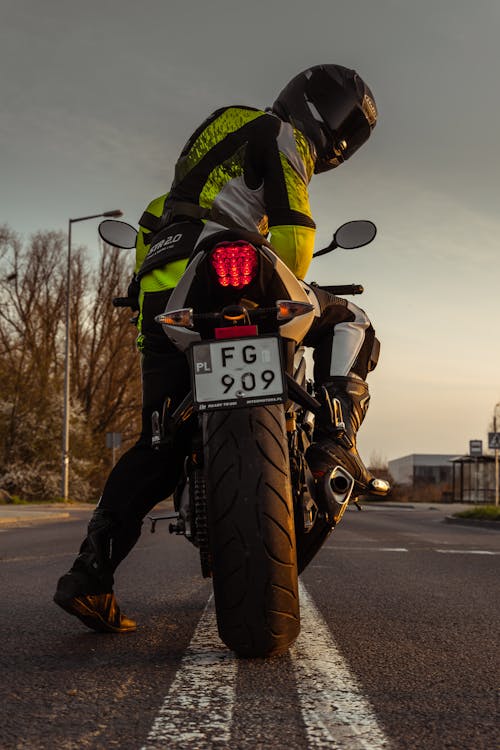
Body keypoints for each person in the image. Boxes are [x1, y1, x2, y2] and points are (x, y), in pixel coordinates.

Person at [54, 64, 389, 634]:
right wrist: (284, 272)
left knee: (159, 441)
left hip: (168, 306)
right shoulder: (278, 133)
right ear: (313, 108)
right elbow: (295, 232)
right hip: (242, 279)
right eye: (340, 124)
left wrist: (150, 312)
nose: (337, 138)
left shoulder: (170, 198)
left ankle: (91, 573)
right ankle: (335, 441)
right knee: (351, 319)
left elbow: (142, 271)